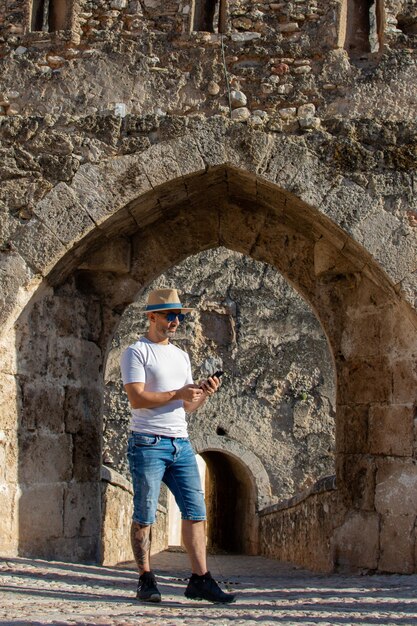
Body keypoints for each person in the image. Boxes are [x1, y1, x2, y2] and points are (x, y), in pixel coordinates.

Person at [120, 288, 236, 604]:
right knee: (145, 513)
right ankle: (145, 578)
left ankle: (201, 579)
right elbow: (137, 398)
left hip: (180, 443)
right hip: (147, 443)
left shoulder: (181, 355)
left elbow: (186, 406)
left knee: (196, 511)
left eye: (178, 316)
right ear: (152, 316)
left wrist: (204, 393)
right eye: (169, 315)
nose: (175, 321)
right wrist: (177, 393)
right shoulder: (136, 352)